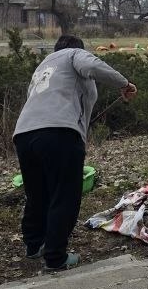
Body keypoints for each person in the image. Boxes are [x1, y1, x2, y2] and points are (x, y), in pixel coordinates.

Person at [13, 34, 137, 270]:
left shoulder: (43, 67)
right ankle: (56, 257)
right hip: (59, 133)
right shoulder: (73, 54)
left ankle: (33, 244)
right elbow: (91, 65)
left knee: (37, 194)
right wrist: (124, 84)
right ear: (78, 49)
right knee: (65, 195)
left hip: (24, 135)